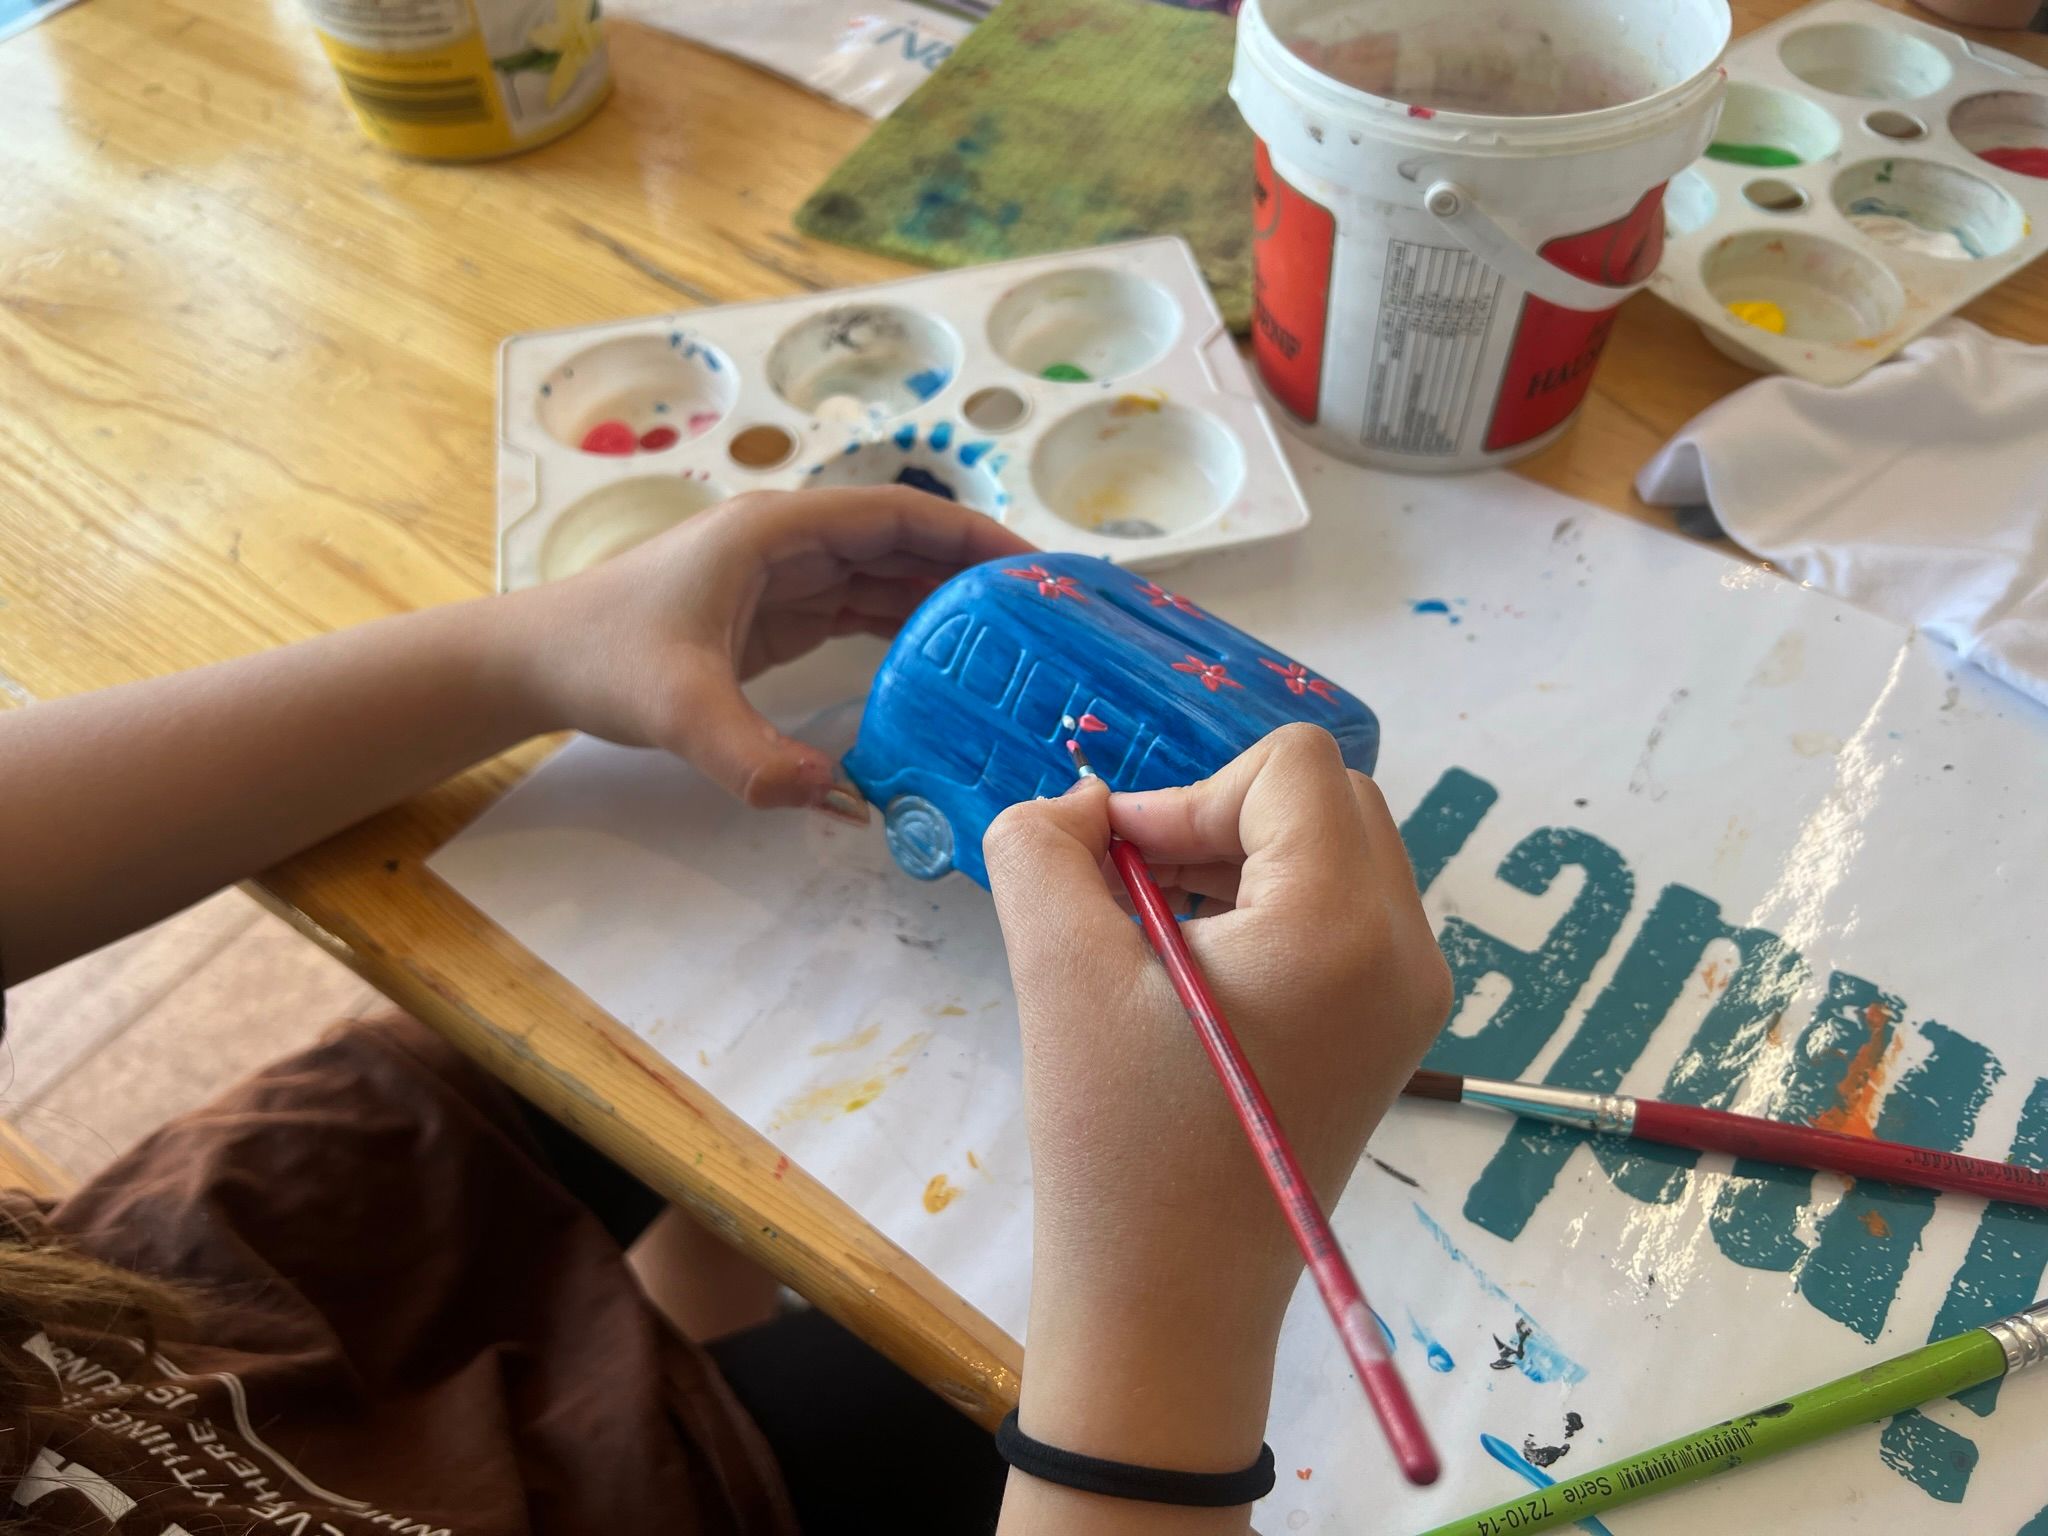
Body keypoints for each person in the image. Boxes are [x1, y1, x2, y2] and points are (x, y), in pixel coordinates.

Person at [0, 486, 1450, 1534]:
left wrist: (525, 650)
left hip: (229, 1263)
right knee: (944, 1377)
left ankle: (692, 1270)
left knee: (609, 1039)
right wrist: (1168, 1338)